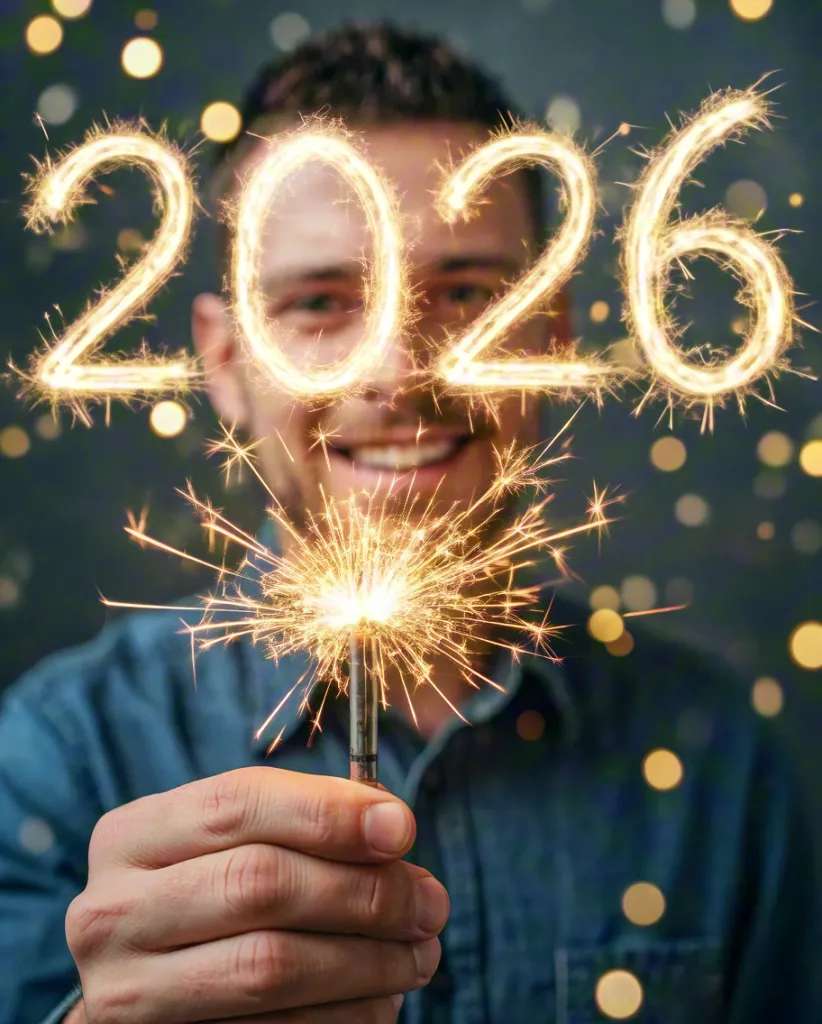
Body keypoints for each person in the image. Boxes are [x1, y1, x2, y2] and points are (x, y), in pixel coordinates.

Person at [0, 20, 818, 1024]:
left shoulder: (714, 758)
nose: (397, 370)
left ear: (553, 335)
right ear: (224, 364)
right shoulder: (60, 755)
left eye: (468, 293)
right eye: (319, 302)